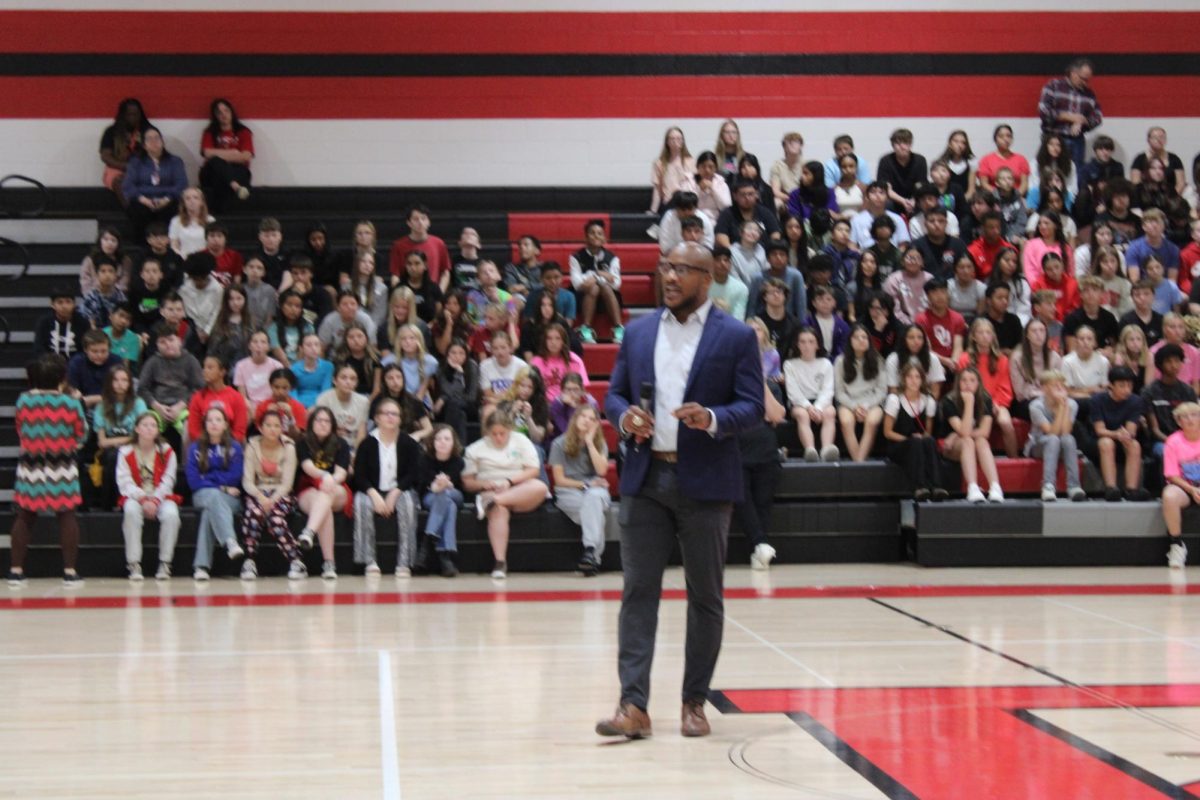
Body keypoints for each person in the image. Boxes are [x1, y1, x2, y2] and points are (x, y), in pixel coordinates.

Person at [595, 241, 762, 740]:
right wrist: (625, 418)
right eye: (667, 267)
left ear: (707, 278)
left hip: (707, 483)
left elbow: (752, 405)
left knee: (705, 596)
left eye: (683, 269)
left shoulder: (735, 337)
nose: (670, 276)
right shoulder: (640, 329)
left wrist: (712, 418)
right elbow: (615, 394)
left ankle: (694, 701)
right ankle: (633, 705)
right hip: (646, 478)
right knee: (637, 593)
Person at [6, 354, 89, 586]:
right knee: (66, 516)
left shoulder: (23, 401)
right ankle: (70, 572)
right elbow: (81, 434)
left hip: (30, 465)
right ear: (62, 378)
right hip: (62, 465)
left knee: (24, 516)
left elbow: (20, 429)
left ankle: (15, 571)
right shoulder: (70, 403)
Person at [352, 397, 421, 576]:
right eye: (386, 413)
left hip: (400, 489)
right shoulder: (367, 443)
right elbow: (359, 476)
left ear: (400, 418)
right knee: (361, 503)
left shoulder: (409, 443)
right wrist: (374, 494)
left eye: (395, 414)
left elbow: (414, 474)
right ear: (377, 418)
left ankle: (405, 561)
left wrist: (395, 492)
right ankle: (369, 560)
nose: (391, 417)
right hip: (372, 489)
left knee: (408, 504)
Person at [238, 409, 303, 581]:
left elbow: (287, 484)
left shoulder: (289, 447)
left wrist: (272, 500)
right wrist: (261, 497)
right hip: (257, 491)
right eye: (268, 425)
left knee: (275, 520)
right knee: (255, 513)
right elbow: (247, 482)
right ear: (260, 428)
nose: (273, 429)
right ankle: (249, 560)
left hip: (281, 493)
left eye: (276, 426)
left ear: (282, 428)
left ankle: (295, 560)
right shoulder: (252, 446)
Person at [116, 411, 181, 581]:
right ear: (137, 428)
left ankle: (165, 563)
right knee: (130, 511)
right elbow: (124, 482)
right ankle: (134, 563)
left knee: (172, 514)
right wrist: (143, 498)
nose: (149, 429)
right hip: (136, 496)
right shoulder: (125, 452)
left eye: (153, 425)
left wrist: (155, 499)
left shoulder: (167, 451)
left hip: (160, 496)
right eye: (145, 425)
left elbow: (169, 479)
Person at [549, 405, 612, 577]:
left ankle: (589, 550)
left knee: (593, 499)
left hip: (595, 489)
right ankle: (593, 558)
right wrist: (584, 485)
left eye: (592, 419)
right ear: (575, 419)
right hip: (568, 490)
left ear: (597, 424)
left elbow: (601, 472)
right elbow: (559, 479)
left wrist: (590, 443)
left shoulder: (599, 443)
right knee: (594, 511)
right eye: (583, 416)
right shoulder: (559, 443)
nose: (587, 420)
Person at [185, 407, 246, 581]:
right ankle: (230, 541)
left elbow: (235, 477)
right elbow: (193, 480)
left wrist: (210, 478)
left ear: (225, 424)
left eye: (218, 420)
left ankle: (201, 567)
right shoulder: (195, 447)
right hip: (202, 494)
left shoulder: (235, 447)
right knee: (213, 496)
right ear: (205, 424)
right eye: (210, 420)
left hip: (230, 499)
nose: (214, 423)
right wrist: (222, 486)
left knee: (209, 512)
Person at [293, 406, 349, 580]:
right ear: (311, 423)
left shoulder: (341, 443)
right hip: (308, 488)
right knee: (324, 507)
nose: (323, 424)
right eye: (319, 420)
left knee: (326, 494)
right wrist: (325, 476)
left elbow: (342, 472)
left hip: (336, 488)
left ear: (332, 425)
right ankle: (329, 563)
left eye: (327, 421)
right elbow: (307, 467)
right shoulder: (302, 442)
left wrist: (331, 479)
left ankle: (309, 532)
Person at [938, 366, 1004, 504]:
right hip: (950, 448)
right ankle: (973, 488)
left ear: (978, 383)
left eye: (972, 380)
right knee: (968, 441)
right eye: (964, 380)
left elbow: (985, 432)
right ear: (958, 383)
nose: (968, 384)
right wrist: (969, 403)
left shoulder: (985, 399)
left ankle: (995, 487)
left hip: (968, 442)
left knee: (982, 441)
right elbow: (964, 432)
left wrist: (956, 435)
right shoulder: (949, 401)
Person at [1087, 366, 1150, 502]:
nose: (1127, 390)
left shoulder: (1136, 401)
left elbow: (1131, 430)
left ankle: (1131, 489)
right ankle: (1111, 488)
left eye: (1129, 385)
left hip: (1122, 438)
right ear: (1111, 385)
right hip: (1099, 441)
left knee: (1134, 445)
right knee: (1106, 442)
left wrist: (1126, 435)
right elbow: (1099, 430)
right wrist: (1116, 434)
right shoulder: (1097, 400)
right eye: (1122, 386)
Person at [957, 317, 1019, 457]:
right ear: (973, 336)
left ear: (993, 336)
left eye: (988, 333)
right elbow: (962, 386)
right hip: (971, 402)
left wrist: (994, 404)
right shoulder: (965, 359)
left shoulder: (1001, 359)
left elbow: (1005, 387)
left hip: (996, 402)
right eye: (980, 333)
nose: (985, 336)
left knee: (1006, 423)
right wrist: (981, 404)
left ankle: (1014, 459)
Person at [883, 362, 944, 501]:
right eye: (910, 376)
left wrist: (921, 438)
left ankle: (937, 486)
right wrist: (910, 440)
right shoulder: (895, 399)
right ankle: (919, 487)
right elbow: (887, 432)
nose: (914, 380)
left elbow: (927, 432)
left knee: (929, 441)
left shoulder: (928, 400)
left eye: (917, 377)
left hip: (918, 444)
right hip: (898, 445)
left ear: (922, 380)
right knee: (916, 443)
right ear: (904, 379)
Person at [1025, 370, 1086, 502]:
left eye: (1062, 385)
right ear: (1044, 388)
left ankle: (1074, 486)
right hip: (1038, 445)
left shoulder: (1072, 404)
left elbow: (1065, 432)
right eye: (1054, 385)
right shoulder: (1036, 406)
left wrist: (1064, 407)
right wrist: (1060, 407)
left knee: (1069, 439)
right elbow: (1052, 432)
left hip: (1060, 443)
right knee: (1053, 439)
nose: (1060, 388)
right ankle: (1048, 486)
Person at [1038, 58, 1102, 175]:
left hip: (1077, 141)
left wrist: (1082, 121)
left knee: (1076, 174)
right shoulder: (1054, 86)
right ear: (1073, 73)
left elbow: (1097, 118)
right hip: (1053, 138)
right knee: (1050, 173)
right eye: (1083, 79)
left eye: (1088, 80)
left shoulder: (1089, 94)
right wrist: (1070, 117)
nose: (1085, 83)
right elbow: (1044, 111)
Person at [416, 424, 465, 578]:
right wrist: (440, 485)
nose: (442, 442)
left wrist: (442, 485)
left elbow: (450, 484)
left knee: (448, 496)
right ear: (432, 442)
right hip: (431, 497)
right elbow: (433, 488)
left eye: (446, 439)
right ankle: (446, 557)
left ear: (453, 442)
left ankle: (427, 541)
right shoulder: (424, 460)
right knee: (447, 505)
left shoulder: (458, 461)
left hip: (455, 495)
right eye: (438, 439)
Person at [121, 125, 187, 238]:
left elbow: (181, 184)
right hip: (143, 200)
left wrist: (166, 199)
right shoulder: (135, 162)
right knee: (137, 210)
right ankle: (143, 247)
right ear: (144, 145)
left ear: (162, 142)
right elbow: (128, 185)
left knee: (172, 210)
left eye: (157, 138)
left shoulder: (175, 161)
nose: (154, 141)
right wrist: (143, 199)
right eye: (149, 139)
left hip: (168, 200)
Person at [835, 324, 888, 462]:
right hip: (848, 402)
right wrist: (854, 407)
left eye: (864, 337)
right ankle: (859, 462)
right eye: (856, 337)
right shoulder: (841, 361)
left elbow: (882, 391)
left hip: (872, 402)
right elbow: (839, 392)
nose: (861, 340)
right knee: (846, 422)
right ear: (850, 341)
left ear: (869, 341)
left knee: (872, 421)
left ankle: (858, 463)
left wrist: (865, 406)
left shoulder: (878, 360)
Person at [784, 327, 837, 462]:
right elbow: (793, 392)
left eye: (811, 342)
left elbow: (828, 390)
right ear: (797, 344)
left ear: (817, 344)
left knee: (830, 413)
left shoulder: (826, 363)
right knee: (802, 415)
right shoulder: (790, 364)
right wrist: (808, 407)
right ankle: (810, 449)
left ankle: (826, 449)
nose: (807, 346)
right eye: (802, 342)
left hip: (821, 402)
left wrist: (818, 407)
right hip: (800, 403)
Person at [570, 219, 624, 344]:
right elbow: (577, 284)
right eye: (592, 233)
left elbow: (616, 283)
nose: (596, 236)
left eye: (599, 233)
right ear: (586, 237)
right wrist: (600, 275)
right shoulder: (576, 257)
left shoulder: (612, 258)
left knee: (604, 287)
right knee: (594, 288)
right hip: (584, 296)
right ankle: (585, 328)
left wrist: (594, 277)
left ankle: (618, 328)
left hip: (607, 297)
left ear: (604, 238)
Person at [1160, 401, 1200, 568]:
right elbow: (1171, 474)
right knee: (1169, 495)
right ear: (1178, 421)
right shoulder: (1173, 441)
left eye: (1194, 415)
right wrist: (1192, 489)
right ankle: (1176, 545)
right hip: (1185, 487)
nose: (1190, 419)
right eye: (1184, 416)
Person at [1143, 344, 1197, 461]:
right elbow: (1154, 429)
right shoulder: (1149, 392)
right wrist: (1174, 443)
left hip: (1188, 438)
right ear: (1160, 365)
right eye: (1169, 362)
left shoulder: (1188, 391)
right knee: (1166, 452)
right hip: (1161, 441)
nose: (1174, 365)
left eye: (1177, 361)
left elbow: (1195, 421)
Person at [199, 98, 253, 212]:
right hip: (212, 173)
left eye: (226, 110)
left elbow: (246, 156)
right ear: (215, 116)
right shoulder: (209, 132)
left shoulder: (243, 132)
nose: (223, 114)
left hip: (237, 172)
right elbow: (207, 153)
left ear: (232, 112)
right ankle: (235, 186)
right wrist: (234, 153)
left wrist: (219, 154)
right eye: (219, 112)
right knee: (215, 162)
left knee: (223, 172)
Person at [388, 204, 452, 292]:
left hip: (431, 295)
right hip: (407, 295)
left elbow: (445, 272)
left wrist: (439, 293)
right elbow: (395, 275)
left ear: (429, 222)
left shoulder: (439, 244)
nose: (420, 222)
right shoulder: (399, 245)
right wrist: (399, 294)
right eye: (416, 219)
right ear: (409, 223)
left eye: (423, 218)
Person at [188, 355, 249, 444]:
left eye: (210, 368)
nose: (204, 371)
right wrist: (209, 443)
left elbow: (239, 430)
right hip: (204, 445)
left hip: (229, 444)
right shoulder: (197, 397)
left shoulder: (236, 397)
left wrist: (224, 444)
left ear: (222, 372)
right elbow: (193, 431)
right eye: (204, 367)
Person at [99, 98, 150, 202]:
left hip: (142, 169)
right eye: (130, 114)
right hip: (117, 169)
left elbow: (157, 154)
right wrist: (126, 166)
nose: (133, 118)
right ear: (123, 115)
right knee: (120, 182)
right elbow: (105, 156)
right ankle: (132, 212)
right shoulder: (111, 131)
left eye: (136, 114)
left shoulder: (148, 131)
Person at [316, 363, 370, 449]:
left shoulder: (363, 401)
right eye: (343, 378)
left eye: (353, 379)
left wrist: (357, 453)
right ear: (334, 380)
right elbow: (322, 429)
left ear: (356, 383)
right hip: (330, 445)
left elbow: (361, 432)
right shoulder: (324, 399)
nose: (348, 382)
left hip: (353, 445)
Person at [34, 284, 91, 359]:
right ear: (52, 304)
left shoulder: (83, 323)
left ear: (74, 304)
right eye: (60, 302)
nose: (64, 306)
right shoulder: (44, 322)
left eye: (68, 302)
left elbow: (86, 349)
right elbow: (39, 348)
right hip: (49, 365)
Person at [649, 126, 696, 216]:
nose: (675, 141)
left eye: (678, 138)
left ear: (683, 141)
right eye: (672, 139)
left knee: (679, 194)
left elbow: (694, 186)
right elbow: (657, 190)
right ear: (667, 142)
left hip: (687, 202)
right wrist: (653, 210)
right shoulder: (659, 163)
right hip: (668, 203)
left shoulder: (691, 162)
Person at [977, 123, 1031, 195]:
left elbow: (1024, 183)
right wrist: (998, 195)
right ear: (995, 139)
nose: (1005, 139)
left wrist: (1016, 196)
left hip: (1016, 198)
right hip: (994, 198)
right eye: (1001, 136)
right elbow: (984, 184)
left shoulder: (1021, 159)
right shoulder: (986, 160)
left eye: (1008, 136)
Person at [291, 333, 334, 408]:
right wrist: (299, 407)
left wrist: (317, 407)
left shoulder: (328, 366)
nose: (313, 348)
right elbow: (293, 392)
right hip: (299, 405)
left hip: (321, 404)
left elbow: (325, 390)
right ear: (301, 348)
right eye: (309, 345)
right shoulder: (293, 369)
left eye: (317, 345)